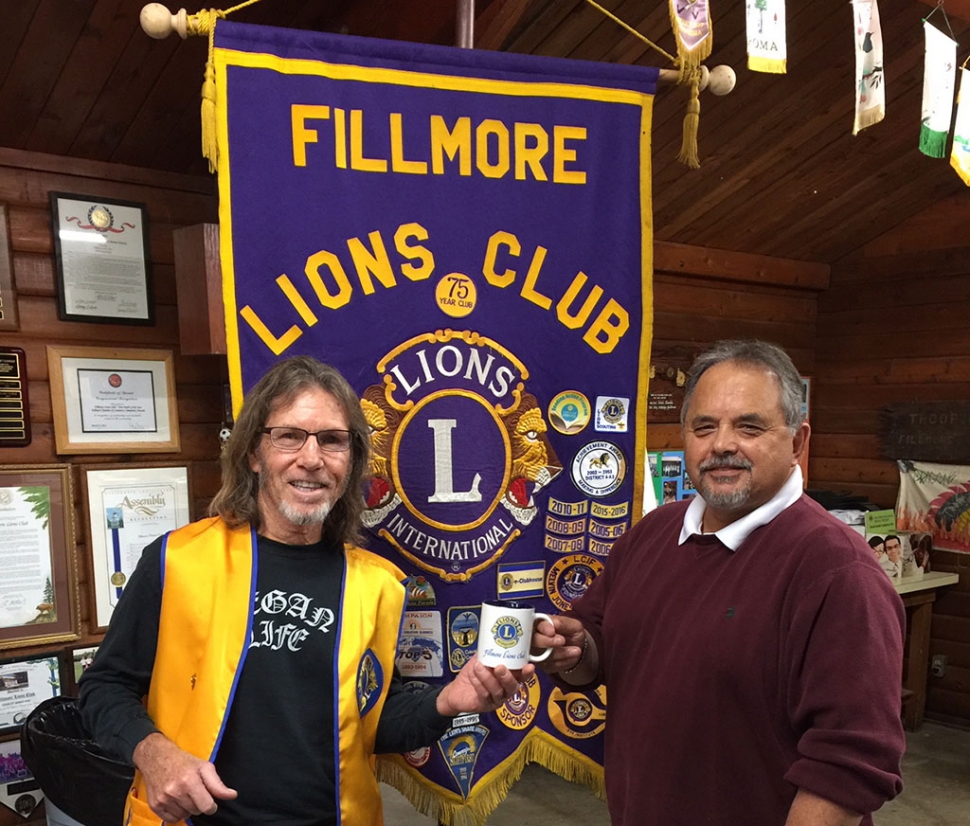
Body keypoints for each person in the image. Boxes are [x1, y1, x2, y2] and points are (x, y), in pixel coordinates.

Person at [79, 356, 527, 826]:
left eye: (332, 440)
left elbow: (373, 721)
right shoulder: (177, 561)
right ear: (254, 453)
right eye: (289, 436)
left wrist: (449, 701)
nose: (311, 459)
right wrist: (154, 755)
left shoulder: (377, 585)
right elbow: (103, 688)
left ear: (350, 460)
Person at [532, 340, 905, 826]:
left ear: (797, 442)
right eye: (704, 427)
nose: (722, 444)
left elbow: (851, 766)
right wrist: (576, 652)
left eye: (749, 426)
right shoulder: (651, 535)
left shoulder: (836, 570)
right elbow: (599, 650)